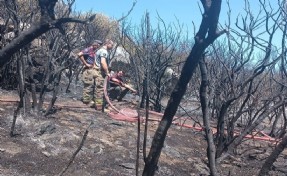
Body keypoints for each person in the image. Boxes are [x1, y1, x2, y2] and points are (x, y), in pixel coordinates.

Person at [78, 40, 103, 107]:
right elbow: (79, 54)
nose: (98, 46)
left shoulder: (94, 51)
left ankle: (92, 101)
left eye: (99, 45)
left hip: (92, 69)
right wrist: (86, 64)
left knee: (94, 86)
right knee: (88, 86)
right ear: (95, 44)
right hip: (88, 70)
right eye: (98, 45)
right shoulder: (89, 49)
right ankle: (86, 102)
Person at [94, 39, 114, 110]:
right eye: (112, 45)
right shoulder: (104, 51)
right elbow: (103, 62)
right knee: (100, 90)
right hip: (101, 72)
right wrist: (107, 72)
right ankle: (99, 107)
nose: (112, 47)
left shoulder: (99, 50)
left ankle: (101, 105)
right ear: (107, 44)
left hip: (99, 71)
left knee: (101, 89)